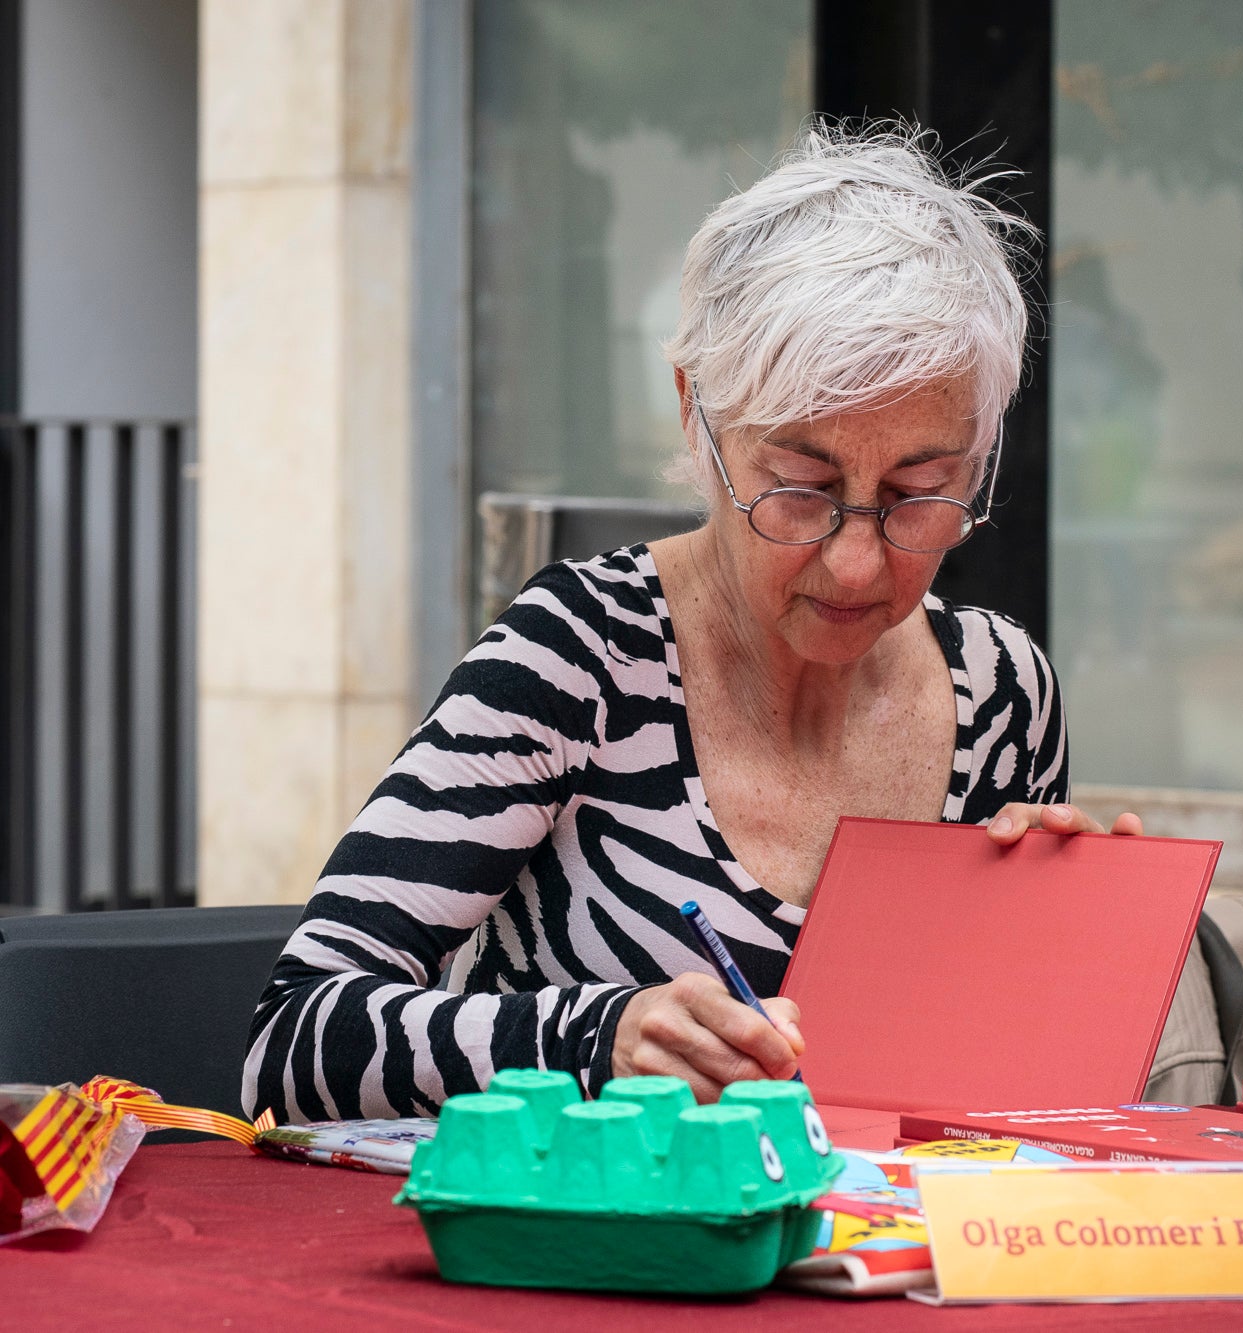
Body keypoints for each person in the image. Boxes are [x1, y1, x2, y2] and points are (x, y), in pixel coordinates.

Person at [242, 124, 1140, 1123]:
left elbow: (987, 1103)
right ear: (694, 417)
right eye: (799, 489)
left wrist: (1060, 949)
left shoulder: (1003, 691)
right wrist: (597, 1038)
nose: (856, 560)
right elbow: (291, 1039)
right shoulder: (580, 655)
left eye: (918, 492)